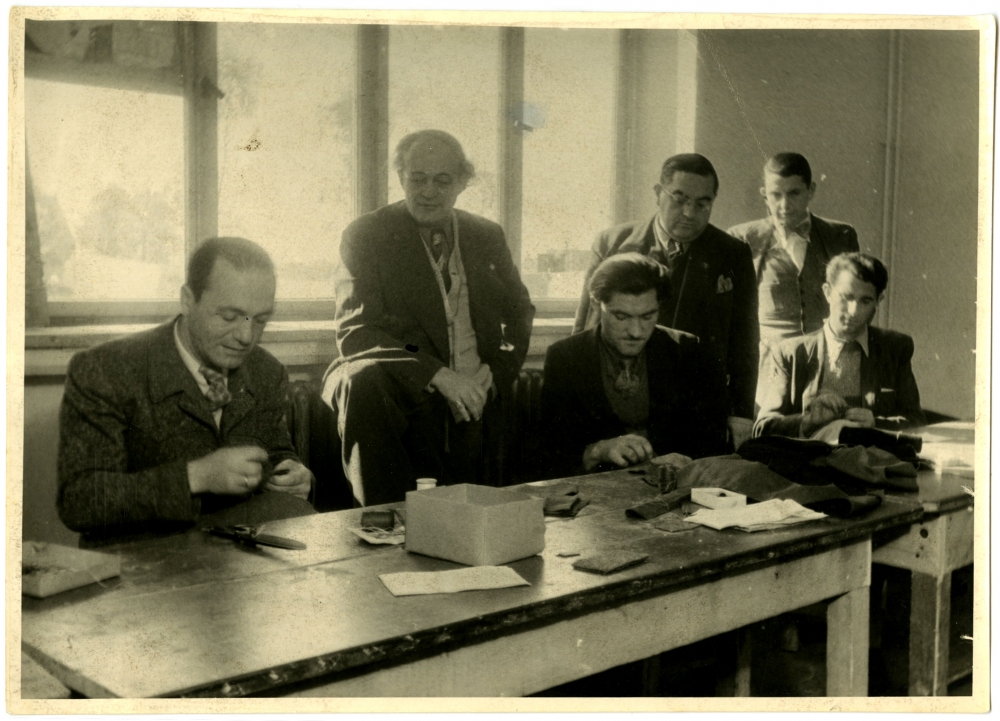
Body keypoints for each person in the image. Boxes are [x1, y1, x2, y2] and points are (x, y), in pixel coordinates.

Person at [323, 129, 534, 506]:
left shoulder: (486, 234)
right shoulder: (367, 234)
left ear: (463, 182)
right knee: (363, 384)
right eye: (417, 179)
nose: (428, 192)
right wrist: (437, 374)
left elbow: (519, 311)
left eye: (442, 180)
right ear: (401, 176)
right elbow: (357, 331)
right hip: (398, 392)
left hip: (472, 401)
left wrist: (498, 369)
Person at [58, 237, 313, 541]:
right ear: (187, 301)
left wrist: (294, 473)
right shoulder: (104, 370)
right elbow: (80, 501)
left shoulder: (266, 372)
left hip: (238, 560)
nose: (247, 336)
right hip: (142, 564)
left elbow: (276, 451)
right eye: (229, 316)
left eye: (260, 320)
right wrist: (197, 477)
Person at [574, 153, 758, 448]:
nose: (689, 212)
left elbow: (745, 339)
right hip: (623, 397)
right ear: (658, 194)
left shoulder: (732, 253)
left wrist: (741, 414)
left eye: (703, 203)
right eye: (679, 199)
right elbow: (587, 326)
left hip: (696, 403)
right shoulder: (613, 243)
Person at [542, 253, 728, 478]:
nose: (636, 332)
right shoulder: (565, 357)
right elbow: (550, 453)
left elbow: (712, 442)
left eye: (648, 316)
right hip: (597, 493)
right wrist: (598, 450)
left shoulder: (687, 351)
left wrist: (686, 460)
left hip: (673, 490)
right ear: (595, 304)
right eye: (621, 317)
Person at [755, 252, 925, 439]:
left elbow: (916, 419)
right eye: (846, 297)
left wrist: (876, 423)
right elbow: (763, 427)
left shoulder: (895, 347)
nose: (854, 311)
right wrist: (807, 421)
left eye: (865, 301)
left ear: (879, 300)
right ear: (827, 292)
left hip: (872, 462)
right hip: (809, 463)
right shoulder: (792, 353)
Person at [728, 152, 859, 353]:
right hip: (769, 362)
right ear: (764, 195)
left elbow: (854, 301)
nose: (784, 205)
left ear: (811, 190)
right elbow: (732, 312)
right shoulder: (743, 238)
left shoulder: (841, 235)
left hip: (827, 357)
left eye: (794, 193)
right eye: (776, 195)